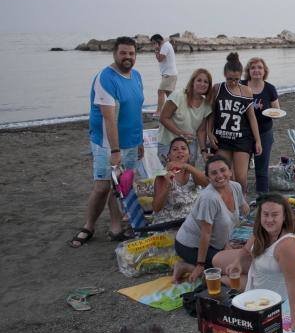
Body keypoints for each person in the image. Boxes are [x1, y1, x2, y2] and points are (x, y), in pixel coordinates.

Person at [70, 37, 144, 248]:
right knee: (102, 186)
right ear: (114, 53)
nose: (128, 57)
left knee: (121, 186)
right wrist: (115, 150)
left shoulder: (136, 76)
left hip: (130, 142)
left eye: (131, 53)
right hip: (107, 144)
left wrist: (139, 141)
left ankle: (115, 227)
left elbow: (136, 111)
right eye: (123, 53)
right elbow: (109, 117)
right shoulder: (105, 78)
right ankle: (88, 226)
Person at [213, 194, 295, 331]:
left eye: (275, 215)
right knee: (216, 260)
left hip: (270, 292)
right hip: (257, 273)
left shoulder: (288, 245)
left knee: (221, 281)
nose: (269, 219)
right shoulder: (261, 230)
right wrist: (237, 262)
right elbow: (246, 250)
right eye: (265, 214)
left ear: (284, 217)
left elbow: (292, 284)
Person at [172, 155, 248, 283]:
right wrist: (200, 265)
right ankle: (184, 266)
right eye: (214, 173)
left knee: (242, 260)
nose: (219, 175)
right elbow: (205, 234)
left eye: (223, 170)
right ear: (208, 177)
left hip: (216, 244)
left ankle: (209, 263)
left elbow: (243, 207)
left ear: (230, 171)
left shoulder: (235, 187)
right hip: (190, 246)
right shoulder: (209, 198)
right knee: (230, 270)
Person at [208, 53, 261, 194]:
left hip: (241, 139)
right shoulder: (217, 89)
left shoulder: (246, 91)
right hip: (222, 139)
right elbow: (211, 114)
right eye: (230, 79)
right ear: (224, 74)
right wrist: (209, 133)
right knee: (224, 176)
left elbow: (252, 117)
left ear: (241, 76)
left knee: (241, 178)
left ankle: (241, 204)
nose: (233, 82)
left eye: (236, 79)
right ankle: (226, 204)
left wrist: (257, 140)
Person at [158, 68, 213, 164]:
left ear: (209, 86)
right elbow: (163, 118)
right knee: (170, 172)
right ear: (192, 82)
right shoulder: (178, 95)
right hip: (169, 142)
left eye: (206, 82)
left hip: (189, 143)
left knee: (188, 172)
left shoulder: (206, 105)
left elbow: (201, 131)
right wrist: (180, 133)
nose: (202, 84)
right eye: (199, 80)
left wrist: (203, 151)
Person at [243, 57, 279, 196]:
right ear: (248, 71)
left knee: (262, 167)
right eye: (253, 68)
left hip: (264, 131)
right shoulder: (242, 85)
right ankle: (240, 197)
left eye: (259, 67)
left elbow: (277, 109)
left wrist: (272, 113)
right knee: (242, 168)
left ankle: (262, 197)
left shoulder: (270, 88)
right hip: (244, 132)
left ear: (264, 71)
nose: (256, 70)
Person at [151, 137, 209, 223]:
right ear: (169, 156)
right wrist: (167, 186)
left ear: (190, 155)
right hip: (170, 223)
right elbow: (156, 207)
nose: (180, 151)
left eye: (183, 148)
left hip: (192, 222)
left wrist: (186, 166)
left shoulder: (193, 172)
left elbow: (207, 183)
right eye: (175, 149)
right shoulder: (163, 175)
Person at [150, 34, 178, 119]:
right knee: (170, 95)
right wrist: (157, 49)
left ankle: (159, 112)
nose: (153, 45)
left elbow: (160, 59)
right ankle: (177, 110)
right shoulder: (165, 45)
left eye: (154, 43)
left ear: (158, 41)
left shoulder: (165, 46)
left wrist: (156, 49)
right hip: (169, 74)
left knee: (160, 91)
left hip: (169, 74)